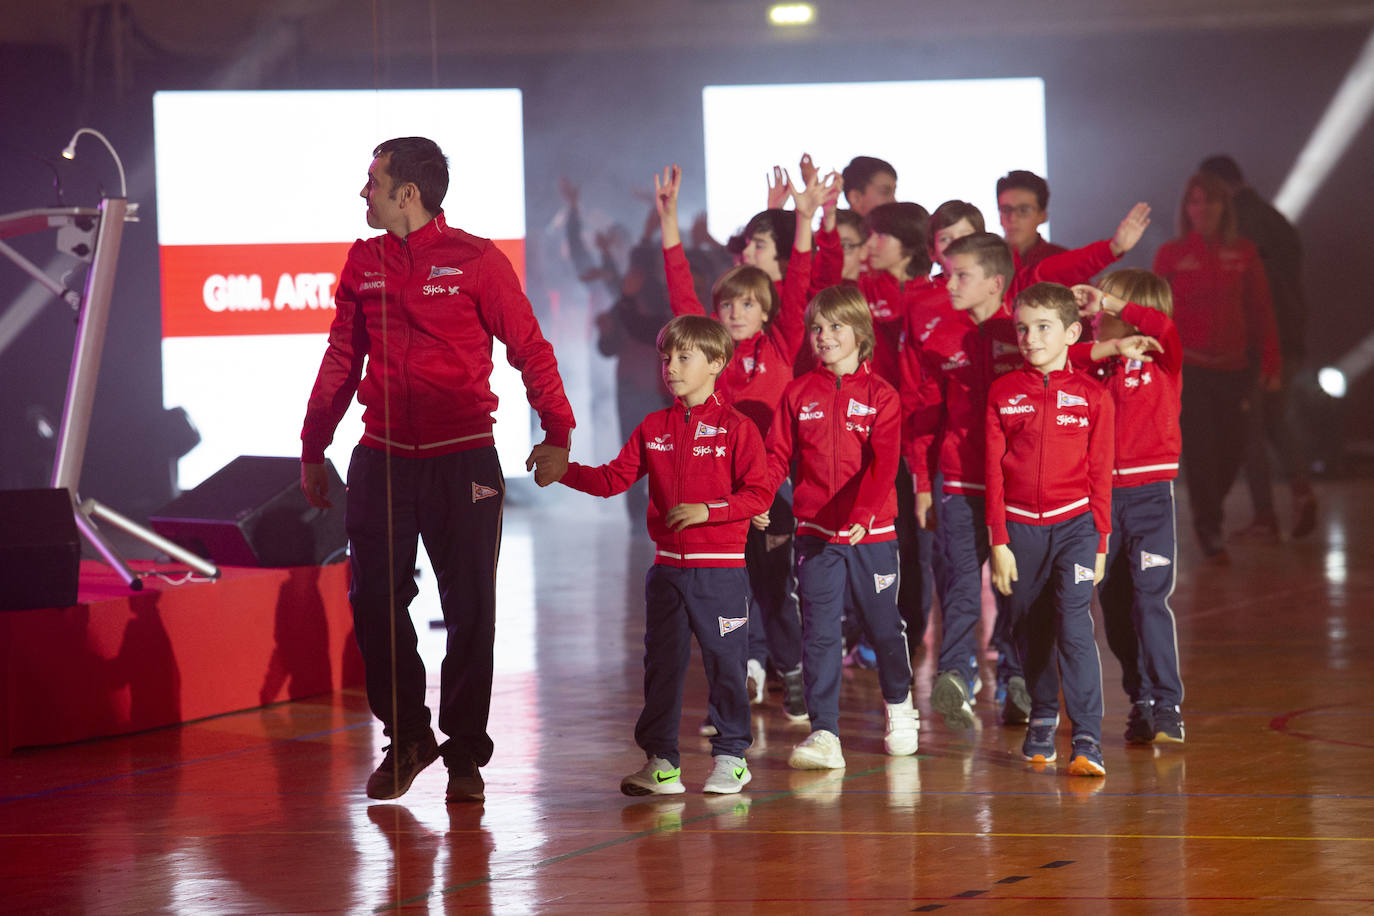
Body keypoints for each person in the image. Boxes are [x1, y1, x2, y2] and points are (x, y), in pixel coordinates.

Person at [299, 137, 575, 803]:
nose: (362, 193)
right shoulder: (363, 261)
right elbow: (342, 358)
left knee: (471, 607)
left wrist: (557, 431)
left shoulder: (477, 260)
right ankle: (410, 735)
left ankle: (464, 755)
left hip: (465, 460)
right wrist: (314, 446)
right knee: (373, 601)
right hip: (382, 460)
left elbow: (530, 348)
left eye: (372, 182)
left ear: (406, 194)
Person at [554, 315, 772, 795]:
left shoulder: (738, 428)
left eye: (683, 357)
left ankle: (733, 757)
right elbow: (613, 479)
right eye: (666, 357)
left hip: (721, 574)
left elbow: (759, 494)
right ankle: (661, 764)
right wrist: (563, 470)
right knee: (662, 668)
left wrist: (708, 511)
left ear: (716, 362)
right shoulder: (654, 426)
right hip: (666, 573)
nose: (670, 367)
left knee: (726, 665)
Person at [654, 163, 826, 722]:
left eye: (747, 304)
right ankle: (736, 685)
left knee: (775, 587)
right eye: (726, 305)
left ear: (769, 311)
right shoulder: (711, 354)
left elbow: (799, 280)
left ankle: (793, 672)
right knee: (726, 590)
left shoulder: (782, 344)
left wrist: (803, 219)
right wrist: (670, 221)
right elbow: (681, 290)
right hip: (717, 488)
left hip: (772, 485)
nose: (734, 312)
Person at [764, 285, 917, 770]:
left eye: (835, 327)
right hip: (815, 534)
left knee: (883, 626)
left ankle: (899, 705)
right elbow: (776, 457)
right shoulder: (797, 393)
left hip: (872, 535)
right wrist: (760, 494)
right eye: (817, 328)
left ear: (860, 333)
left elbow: (884, 464)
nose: (824, 337)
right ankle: (824, 733)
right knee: (821, 633)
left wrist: (861, 517)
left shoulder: (882, 396)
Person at [986, 282, 1114, 776]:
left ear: (1072, 333)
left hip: (1077, 527)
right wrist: (999, 540)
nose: (1031, 338)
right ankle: (1042, 715)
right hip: (1021, 530)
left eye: (1043, 328)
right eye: (1023, 328)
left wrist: (1100, 540)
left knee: (1075, 626)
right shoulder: (1002, 393)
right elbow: (993, 470)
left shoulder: (1093, 396)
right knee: (1031, 627)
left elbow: (1101, 474)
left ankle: (1086, 738)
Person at [1070, 270, 1187, 744]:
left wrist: (1110, 301)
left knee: (1150, 601)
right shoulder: (1095, 365)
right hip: (1100, 502)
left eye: (1107, 310)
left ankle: (1167, 705)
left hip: (1150, 499)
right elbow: (1059, 359)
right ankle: (1139, 698)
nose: (1096, 315)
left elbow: (1165, 329)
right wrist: (1107, 348)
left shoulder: (1163, 360)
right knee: (1114, 607)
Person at [1153, 171, 1281, 561]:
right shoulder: (1171, 255)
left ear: (1224, 208)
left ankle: (1211, 511)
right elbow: (1154, 314)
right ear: (1185, 209)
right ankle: (1208, 528)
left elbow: (1261, 310)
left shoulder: (1243, 252)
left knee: (1232, 449)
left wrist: (1271, 361)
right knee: (1201, 452)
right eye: (1194, 201)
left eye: (1209, 201)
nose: (1201, 208)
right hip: (1189, 370)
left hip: (1235, 369)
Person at [1197, 154, 1317, 540]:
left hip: (1260, 340)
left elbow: (1249, 290)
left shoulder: (1241, 222)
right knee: (1277, 421)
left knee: (1248, 427)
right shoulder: (1276, 218)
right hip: (1291, 334)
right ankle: (1300, 491)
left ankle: (1265, 516)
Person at [997, 170, 1065, 272]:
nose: (1012, 218)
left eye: (1023, 210)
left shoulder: (1062, 260)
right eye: (1006, 210)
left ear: (1042, 216)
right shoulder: (985, 259)